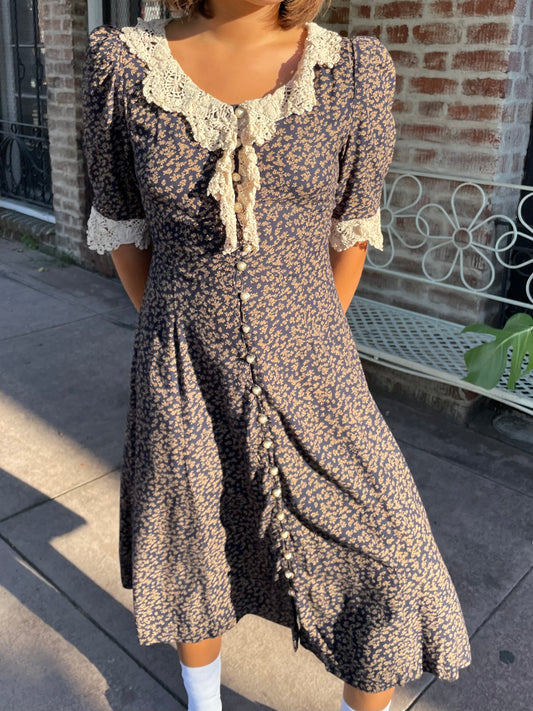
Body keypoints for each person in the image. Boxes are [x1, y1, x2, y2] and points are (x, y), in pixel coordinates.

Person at [81, 0, 472, 709]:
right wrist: (179, 330)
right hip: (181, 370)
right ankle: (203, 702)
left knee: (388, 565)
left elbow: (351, 234)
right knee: (193, 541)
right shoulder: (122, 65)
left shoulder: (351, 72)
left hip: (316, 370)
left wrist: (299, 335)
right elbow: (123, 229)